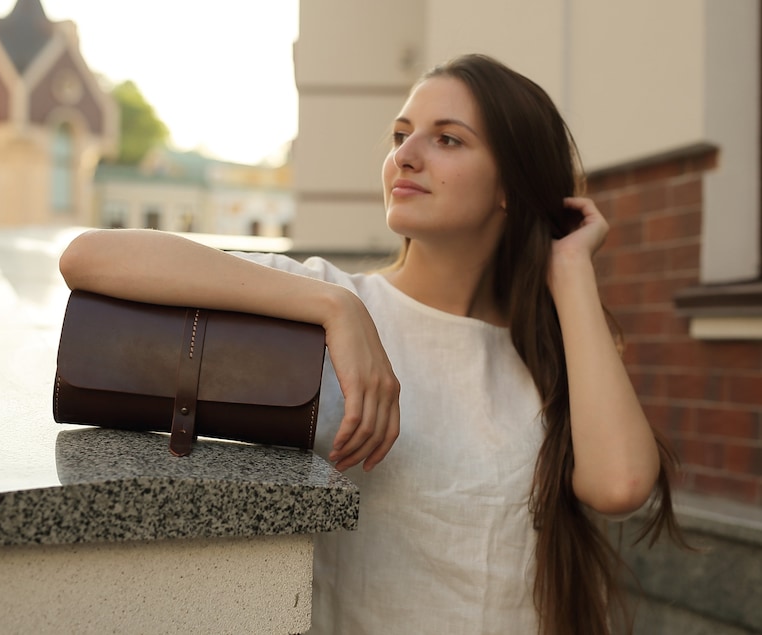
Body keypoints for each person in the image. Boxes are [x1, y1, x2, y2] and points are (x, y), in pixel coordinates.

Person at [60, 53, 683, 635]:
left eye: (447, 138)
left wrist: (571, 268)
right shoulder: (327, 305)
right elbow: (90, 258)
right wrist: (336, 307)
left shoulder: (554, 351)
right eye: (400, 135)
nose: (406, 156)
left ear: (509, 187)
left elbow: (621, 485)